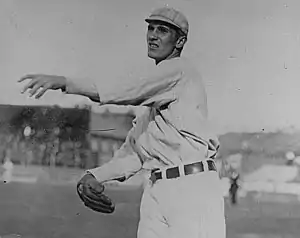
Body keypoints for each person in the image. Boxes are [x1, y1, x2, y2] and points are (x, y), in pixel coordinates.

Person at [18, 7, 226, 238]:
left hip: (192, 188)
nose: (153, 35)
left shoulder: (179, 71)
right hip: (157, 189)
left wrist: (64, 82)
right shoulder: (153, 103)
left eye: (163, 30)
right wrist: (95, 175)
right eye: (151, 28)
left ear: (180, 42)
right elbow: (135, 154)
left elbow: (125, 89)